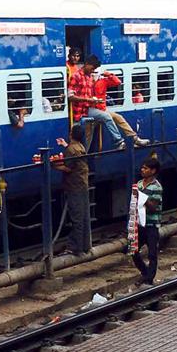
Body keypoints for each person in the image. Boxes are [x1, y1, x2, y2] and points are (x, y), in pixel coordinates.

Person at [68, 54, 125, 150]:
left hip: (88, 109)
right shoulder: (76, 76)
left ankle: (118, 141)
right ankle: (80, 158)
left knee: (106, 117)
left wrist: (94, 100)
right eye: (92, 68)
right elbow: (70, 96)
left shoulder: (90, 77)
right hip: (78, 113)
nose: (93, 70)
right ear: (86, 64)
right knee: (78, 140)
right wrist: (87, 99)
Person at [53, 125, 91, 256]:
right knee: (84, 216)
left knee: (77, 217)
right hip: (83, 185)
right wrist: (65, 145)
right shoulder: (80, 147)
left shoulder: (71, 149)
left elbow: (68, 168)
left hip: (74, 187)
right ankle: (86, 245)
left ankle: (76, 248)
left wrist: (53, 165)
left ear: (71, 135)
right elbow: (74, 156)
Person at [92, 71, 149, 147]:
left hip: (102, 110)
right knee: (88, 135)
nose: (94, 75)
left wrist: (109, 74)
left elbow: (118, 82)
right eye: (93, 73)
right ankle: (82, 154)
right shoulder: (87, 83)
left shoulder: (103, 82)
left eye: (96, 73)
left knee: (118, 117)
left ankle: (134, 139)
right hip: (92, 111)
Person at [132, 158, 163, 286]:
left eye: (145, 168)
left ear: (153, 171)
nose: (142, 170)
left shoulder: (157, 187)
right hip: (140, 224)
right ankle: (145, 273)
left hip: (151, 225)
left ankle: (149, 278)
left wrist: (141, 198)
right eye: (142, 168)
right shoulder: (139, 184)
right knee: (133, 251)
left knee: (152, 254)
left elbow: (154, 206)